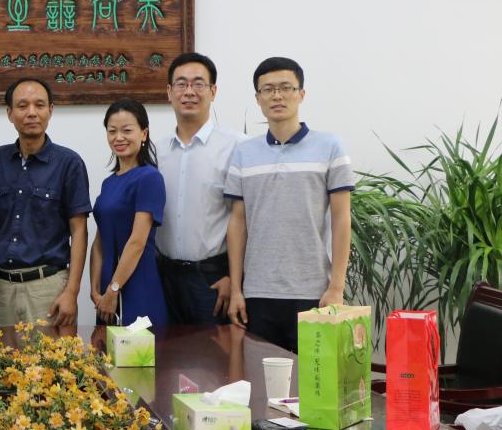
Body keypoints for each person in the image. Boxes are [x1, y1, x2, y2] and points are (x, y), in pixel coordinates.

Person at [224, 57, 354, 353]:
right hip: (258, 292)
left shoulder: (330, 147)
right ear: (258, 98)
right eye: (268, 89)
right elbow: (237, 223)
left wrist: (336, 287)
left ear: (301, 94)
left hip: (313, 291)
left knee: (312, 377)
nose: (277, 96)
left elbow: (341, 218)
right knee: (260, 376)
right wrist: (237, 289)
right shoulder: (244, 153)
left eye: (285, 88)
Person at [0, 77, 90, 326]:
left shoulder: (69, 163)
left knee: (53, 353)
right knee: (1, 352)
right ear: (9, 113)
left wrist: (72, 292)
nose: (31, 112)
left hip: (48, 287)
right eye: (22, 106)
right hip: (0, 287)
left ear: (51, 110)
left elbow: (79, 231)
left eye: (39, 105)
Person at [156, 53, 246, 324]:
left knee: (215, 351)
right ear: (169, 92)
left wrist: (236, 279)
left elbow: (251, 219)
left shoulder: (237, 147)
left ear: (213, 91)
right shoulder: (156, 152)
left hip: (213, 280)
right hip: (163, 278)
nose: (189, 92)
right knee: (165, 350)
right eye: (181, 84)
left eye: (198, 84)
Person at [90, 99, 168, 327]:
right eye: (112, 131)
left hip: (137, 284)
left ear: (144, 133)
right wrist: (94, 288)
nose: (118, 137)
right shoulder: (108, 183)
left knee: (138, 348)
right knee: (106, 347)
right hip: (106, 289)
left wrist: (114, 289)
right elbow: (100, 240)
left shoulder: (149, 178)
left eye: (127, 130)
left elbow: (137, 242)